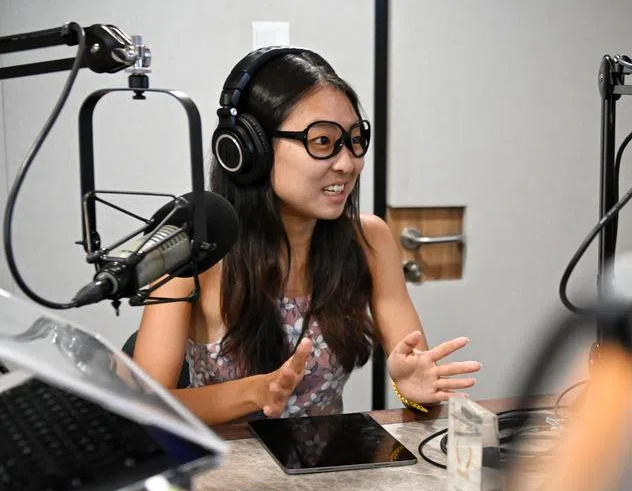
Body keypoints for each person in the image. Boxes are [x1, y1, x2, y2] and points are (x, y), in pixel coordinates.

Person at [133, 48, 479, 425]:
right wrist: (253, 392)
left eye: (355, 139)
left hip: (326, 472)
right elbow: (148, 407)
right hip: (228, 470)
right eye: (322, 142)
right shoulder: (194, 248)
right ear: (251, 151)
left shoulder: (370, 240)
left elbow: (417, 383)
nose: (348, 163)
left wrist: (413, 393)